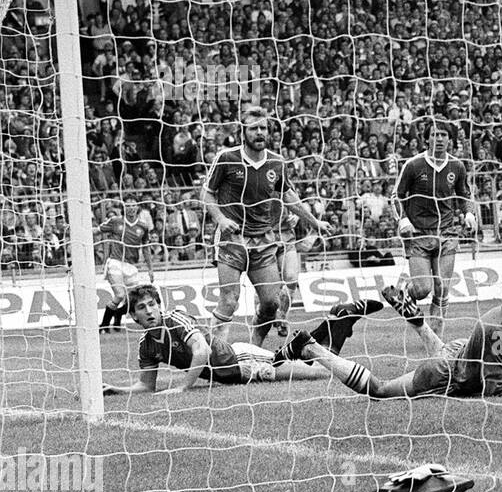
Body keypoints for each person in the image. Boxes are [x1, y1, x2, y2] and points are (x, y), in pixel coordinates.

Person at [289, 265, 502, 400]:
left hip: (461, 353)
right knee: (380, 391)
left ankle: (416, 319)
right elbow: (495, 389)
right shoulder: (498, 328)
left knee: (456, 357)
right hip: (446, 375)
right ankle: (310, 347)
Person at [201, 107, 333, 347]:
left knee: (271, 303)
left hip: (263, 241)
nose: (259, 133)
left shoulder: (276, 162)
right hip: (232, 239)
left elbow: (289, 196)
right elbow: (207, 194)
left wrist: (315, 222)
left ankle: (253, 348)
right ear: (244, 132)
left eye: (263, 128)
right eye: (253, 128)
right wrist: (220, 219)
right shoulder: (226, 158)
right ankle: (215, 354)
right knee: (230, 300)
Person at [103, 283, 380, 397]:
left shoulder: (175, 319)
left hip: (243, 361)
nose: (149, 311)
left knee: (319, 370)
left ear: (159, 306)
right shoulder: (146, 345)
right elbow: (146, 385)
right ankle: (333, 323)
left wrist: (182, 388)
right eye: (142, 308)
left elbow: (201, 351)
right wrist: (115, 390)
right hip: (234, 373)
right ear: (134, 317)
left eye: (152, 305)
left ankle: (341, 319)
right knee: (302, 361)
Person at [383, 118, 478, 354]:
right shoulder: (414, 165)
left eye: (444, 135)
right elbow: (396, 196)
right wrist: (402, 219)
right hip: (419, 235)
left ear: (450, 139)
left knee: (442, 289)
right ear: (427, 138)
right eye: (435, 134)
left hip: (447, 233)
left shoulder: (457, 166)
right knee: (423, 289)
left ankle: (435, 344)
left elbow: (464, 193)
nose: (439, 139)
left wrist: (468, 213)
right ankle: (406, 288)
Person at [97, 193, 155, 332]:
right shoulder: (115, 221)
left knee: (132, 301)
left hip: (131, 266)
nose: (131, 208)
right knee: (120, 295)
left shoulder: (143, 226)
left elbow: (146, 249)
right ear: (124, 207)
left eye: (133, 205)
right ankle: (104, 326)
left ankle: (117, 315)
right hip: (115, 262)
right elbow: (97, 230)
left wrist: (150, 269)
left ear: (137, 207)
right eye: (128, 205)